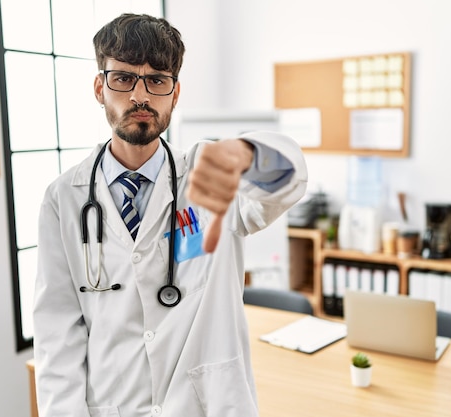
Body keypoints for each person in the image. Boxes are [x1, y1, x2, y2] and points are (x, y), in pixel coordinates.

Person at [33, 13, 307, 417]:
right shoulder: (63, 199)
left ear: (175, 94)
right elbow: (58, 335)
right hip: (112, 405)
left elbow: (287, 180)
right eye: (123, 78)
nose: (140, 96)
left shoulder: (211, 176)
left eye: (158, 80)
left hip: (206, 405)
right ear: (99, 87)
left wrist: (249, 154)